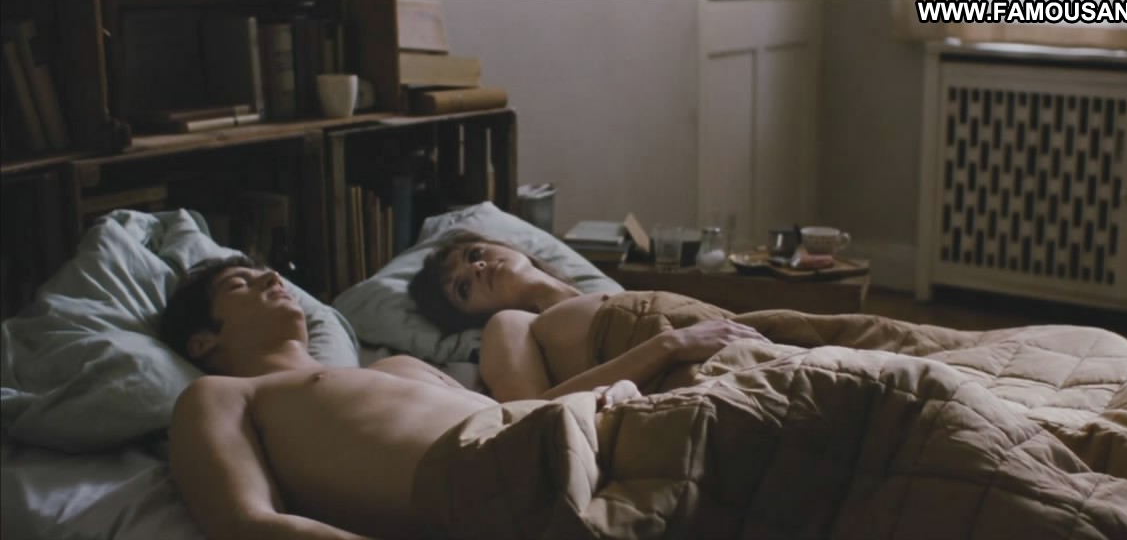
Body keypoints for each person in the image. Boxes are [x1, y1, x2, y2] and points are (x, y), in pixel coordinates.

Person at [161, 255, 641, 540]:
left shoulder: (397, 367)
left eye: (270, 274)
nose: (273, 280)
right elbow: (247, 525)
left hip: (573, 439)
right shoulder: (223, 395)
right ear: (203, 341)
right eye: (239, 283)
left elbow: (520, 414)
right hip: (490, 486)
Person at [409, 230, 768, 403]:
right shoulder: (509, 325)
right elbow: (528, 418)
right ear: (469, 316)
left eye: (475, 254)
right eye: (463, 288)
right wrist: (671, 345)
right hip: (696, 381)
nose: (478, 267)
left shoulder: (603, 294)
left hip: (740, 348)